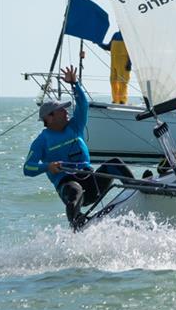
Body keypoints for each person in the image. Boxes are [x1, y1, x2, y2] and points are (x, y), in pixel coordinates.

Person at [23, 65, 133, 230]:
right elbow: (28, 168)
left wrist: (74, 83)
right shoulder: (41, 141)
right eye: (61, 110)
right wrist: (47, 166)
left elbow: (83, 104)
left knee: (114, 163)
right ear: (50, 117)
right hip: (68, 187)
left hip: (91, 181)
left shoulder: (75, 126)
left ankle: (138, 190)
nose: (67, 111)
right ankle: (76, 226)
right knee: (75, 189)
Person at [98, 31, 131, 104]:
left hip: (124, 62)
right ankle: (115, 100)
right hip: (114, 63)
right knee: (113, 81)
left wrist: (129, 62)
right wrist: (99, 43)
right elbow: (108, 47)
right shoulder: (115, 35)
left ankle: (122, 100)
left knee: (122, 81)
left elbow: (132, 51)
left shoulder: (129, 35)